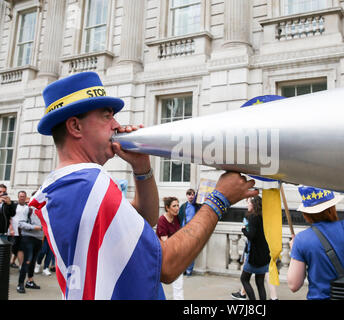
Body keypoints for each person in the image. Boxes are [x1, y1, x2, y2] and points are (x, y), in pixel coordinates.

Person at [29, 71, 258, 300]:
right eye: (107, 116)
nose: (117, 124)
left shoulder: (65, 186)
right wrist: (219, 199)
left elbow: (144, 221)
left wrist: (142, 170)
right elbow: (167, 265)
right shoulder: (91, 184)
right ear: (75, 127)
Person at [240, 195, 270, 300]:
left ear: (253, 204)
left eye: (249, 203)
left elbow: (251, 236)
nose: (247, 204)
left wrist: (243, 230)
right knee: (260, 283)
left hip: (254, 255)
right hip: (264, 254)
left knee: (244, 279)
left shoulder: (253, 217)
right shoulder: (263, 216)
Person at [157, 197, 183, 299]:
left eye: (178, 205)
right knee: (157, 285)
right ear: (167, 208)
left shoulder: (177, 217)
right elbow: (166, 242)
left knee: (178, 284)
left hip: (176, 254)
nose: (177, 208)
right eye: (174, 206)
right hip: (163, 256)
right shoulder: (162, 220)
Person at [17, 206, 43, 293]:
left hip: (39, 239)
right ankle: (20, 284)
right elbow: (20, 223)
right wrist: (35, 227)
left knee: (33, 261)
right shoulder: (28, 209)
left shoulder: (44, 210)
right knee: (27, 261)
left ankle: (30, 281)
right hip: (28, 238)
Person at [178, 188, 201, 276]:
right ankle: (183, 269)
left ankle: (189, 270)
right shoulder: (183, 206)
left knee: (191, 251)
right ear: (186, 196)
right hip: (183, 231)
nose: (191, 196)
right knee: (183, 251)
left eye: (192, 194)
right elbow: (179, 217)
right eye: (189, 194)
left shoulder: (197, 206)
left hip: (193, 231)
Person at [8, 191, 30, 269]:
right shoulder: (14, 205)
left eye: (23, 196)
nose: (22, 198)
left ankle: (21, 266)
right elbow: (9, 217)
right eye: (21, 196)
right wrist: (11, 229)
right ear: (18, 197)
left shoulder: (27, 207)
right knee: (10, 249)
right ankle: (6, 265)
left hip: (23, 232)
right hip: (13, 232)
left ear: (25, 197)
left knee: (21, 249)